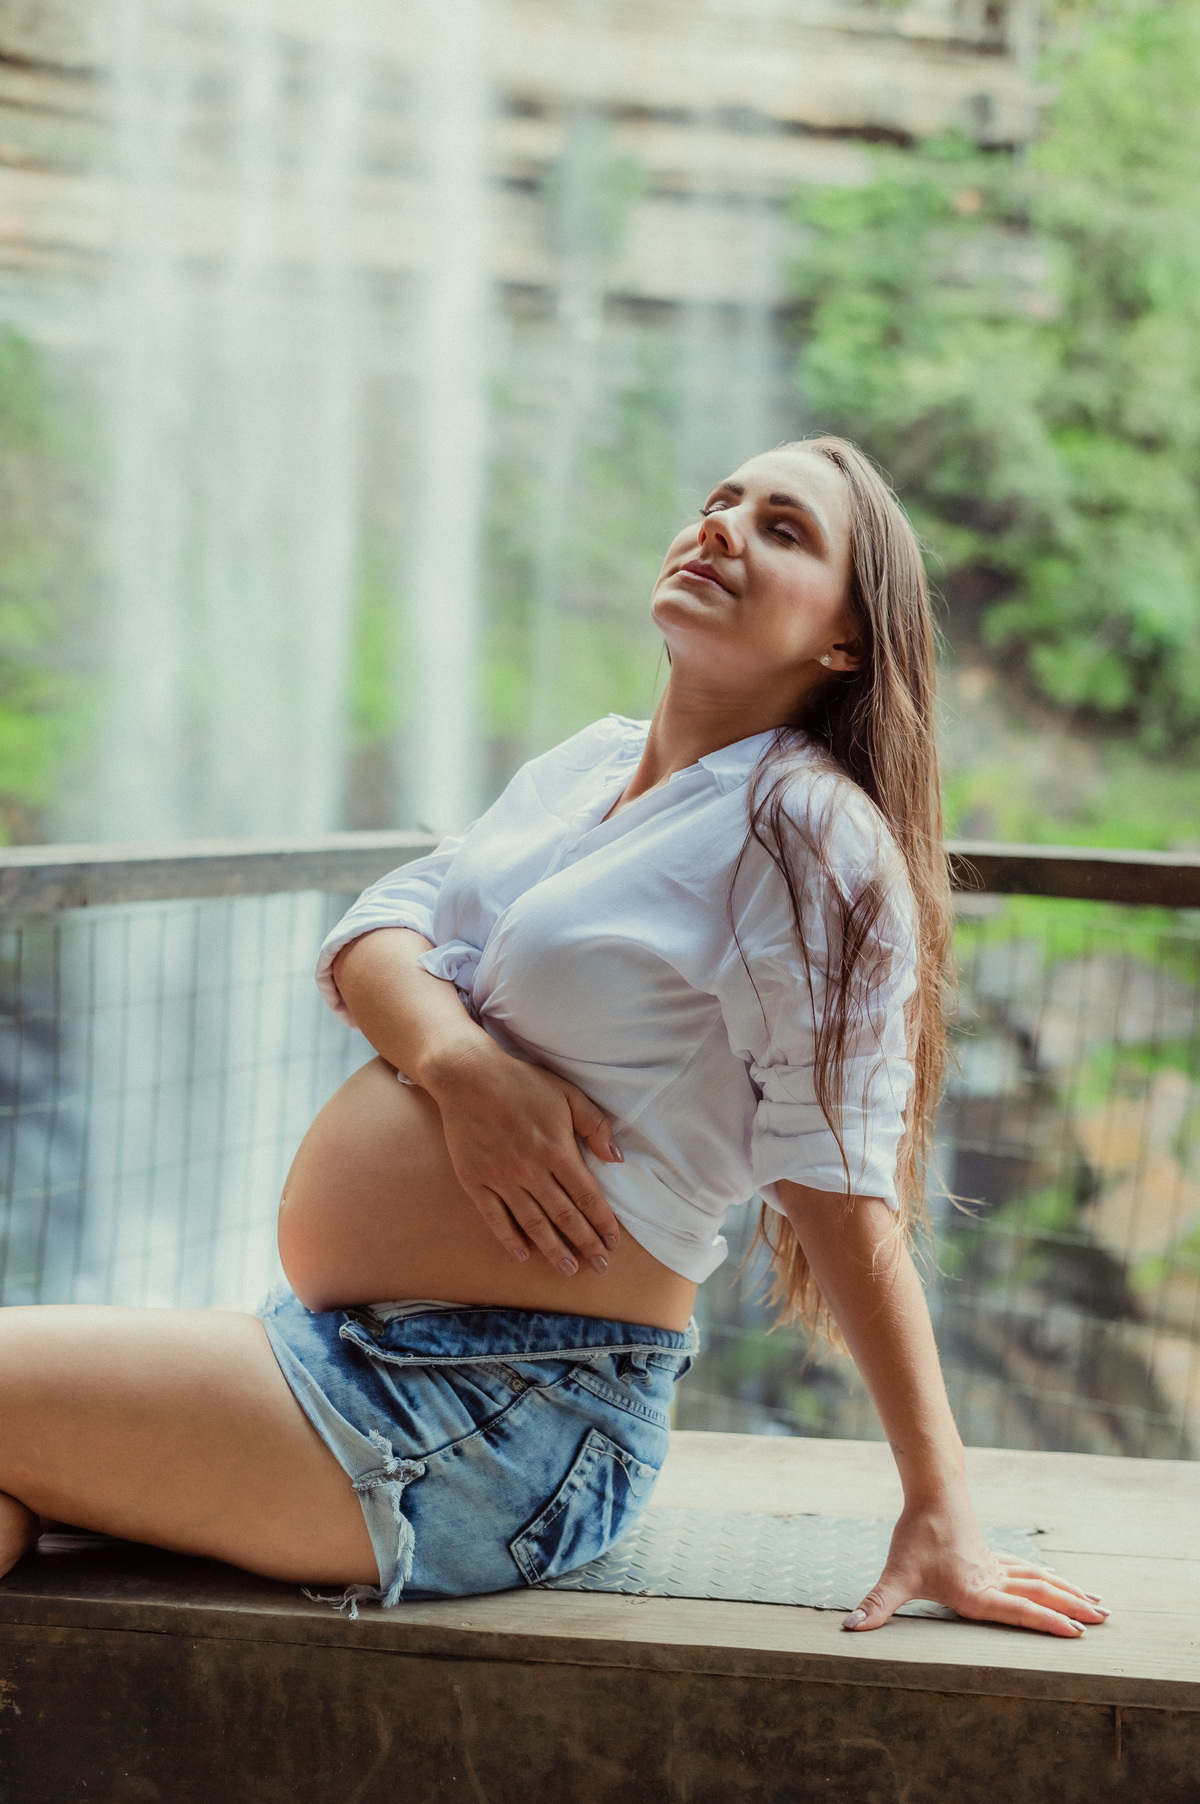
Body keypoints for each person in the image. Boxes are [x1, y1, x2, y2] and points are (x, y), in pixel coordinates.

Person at [0, 438, 1104, 1637]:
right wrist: (458, 1065)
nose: (724, 524)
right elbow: (378, 929)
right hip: (349, 1349)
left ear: (847, 639)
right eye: (718, 501)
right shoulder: (587, 765)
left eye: (783, 529)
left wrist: (940, 1501)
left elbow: (836, 1178)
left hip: (498, 1416)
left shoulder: (807, 834)